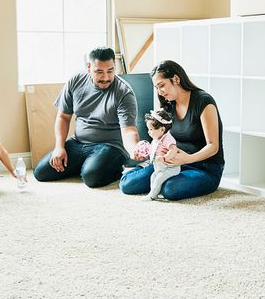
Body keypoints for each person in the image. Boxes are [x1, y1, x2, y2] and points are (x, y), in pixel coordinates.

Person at [33, 47, 140, 188]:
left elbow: (129, 130)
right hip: (78, 142)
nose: (106, 77)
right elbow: (63, 117)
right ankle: (87, 166)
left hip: (110, 146)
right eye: (99, 72)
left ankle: (107, 168)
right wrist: (59, 147)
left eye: (110, 71)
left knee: (91, 178)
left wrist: (134, 149)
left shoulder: (124, 92)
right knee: (41, 173)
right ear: (89, 67)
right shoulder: (76, 80)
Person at [120, 60, 224, 200]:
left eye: (161, 86)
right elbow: (162, 139)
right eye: (156, 87)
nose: (159, 92)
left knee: (170, 189)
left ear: (176, 79)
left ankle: (158, 178)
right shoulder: (168, 106)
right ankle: (146, 168)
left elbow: (213, 146)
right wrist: (149, 153)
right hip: (171, 163)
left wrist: (188, 158)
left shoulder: (203, 102)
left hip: (204, 167)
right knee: (127, 184)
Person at [132, 108, 181, 201]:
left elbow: (173, 150)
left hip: (170, 168)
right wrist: (145, 152)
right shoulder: (156, 139)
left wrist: (164, 157)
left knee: (159, 178)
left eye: (151, 129)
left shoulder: (168, 139)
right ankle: (154, 194)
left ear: (162, 129)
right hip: (159, 167)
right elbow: (154, 151)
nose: (148, 132)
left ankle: (151, 195)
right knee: (153, 176)